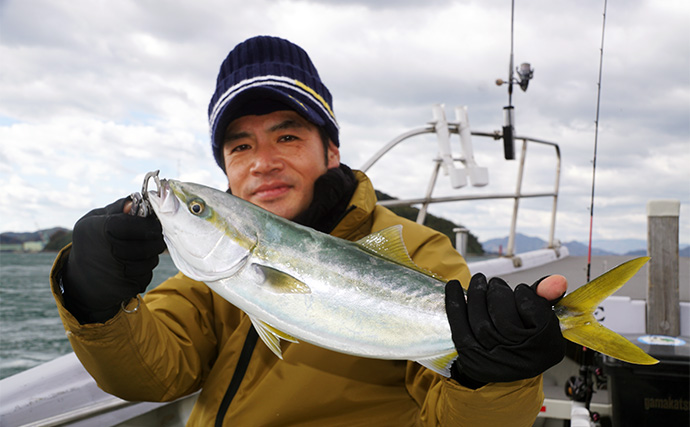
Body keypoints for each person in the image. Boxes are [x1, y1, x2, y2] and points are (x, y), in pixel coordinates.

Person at [51, 35, 567, 426]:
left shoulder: (418, 249)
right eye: (240, 147)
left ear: (332, 150)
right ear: (226, 168)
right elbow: (151, 375)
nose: (262, 164)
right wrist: (94, 300)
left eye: (288, 135)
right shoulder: (212, 270)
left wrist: (492, 376)